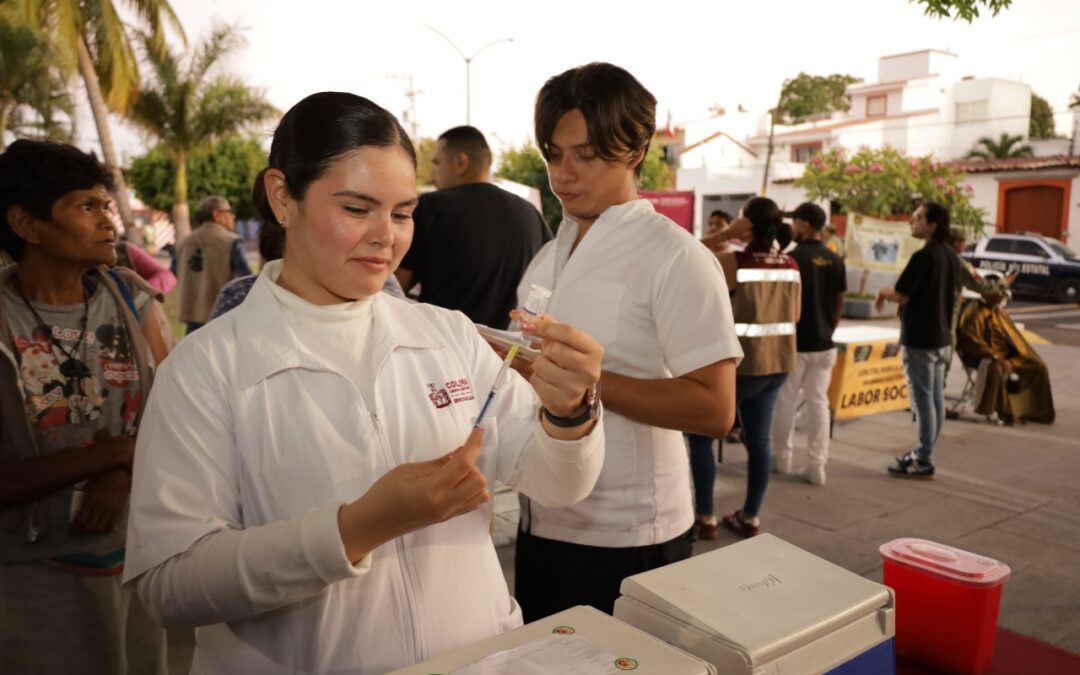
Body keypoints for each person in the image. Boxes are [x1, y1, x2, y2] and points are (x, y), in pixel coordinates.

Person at [122, 92, 606, 674]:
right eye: (357, 210)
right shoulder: (208, 369)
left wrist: (570, 413)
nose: (387, 237)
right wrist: (355, 528)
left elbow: (556, 484)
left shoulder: (447, 335)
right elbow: (169, 584)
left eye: (403, 213)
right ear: (283, 197)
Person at [513, 62, 741, 621]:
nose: (563, 173)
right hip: (540, 517)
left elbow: (715, 408)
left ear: (635, 152)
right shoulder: (549, 255)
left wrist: (581, 379)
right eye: (553, 154)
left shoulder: (677, 256)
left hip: (631, 536)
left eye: (585, 155)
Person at [0, 139, 174, 673]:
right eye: (87, 206)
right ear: (27, 225)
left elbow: (180, 417)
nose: (109, 221)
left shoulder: (129, 296)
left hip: (135, 559)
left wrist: (126, 471)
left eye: (107, 205)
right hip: (32, 576)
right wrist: (114, 453)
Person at [396, 126, 552, 329]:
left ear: (461, 162)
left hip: (442, 346)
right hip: (505, 354)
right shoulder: (531, 213)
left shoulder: (432, 207)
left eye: (437, 162)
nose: (433, 172)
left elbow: (395, 288)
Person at [713, 197, 800, 537]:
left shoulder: (735, 260)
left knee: (701, 438)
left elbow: (686, 255)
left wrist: (726, 234)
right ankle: (750, 516)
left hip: (742, 365)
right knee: (760, 440)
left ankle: (703, 515)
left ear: (746, 224)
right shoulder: (791, 263)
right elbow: (796, 315)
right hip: (778, 364)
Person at [876, 202, 961, 479]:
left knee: (924, 401)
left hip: (921, 340)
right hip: (941, 338)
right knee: (935, 399)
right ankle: (925, 452)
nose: (912, 222)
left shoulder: (923, 257)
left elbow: (901, 294)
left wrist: (882, 292)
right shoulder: (950, 254)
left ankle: (924, 458)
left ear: (934, 224)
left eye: (918, 218)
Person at [771, 202, 846, 486]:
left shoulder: (792, 259)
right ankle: (817, 465)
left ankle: (783, 460)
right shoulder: (835, 259)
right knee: (818, 403)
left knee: (786, 401)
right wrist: (830, 327)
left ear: (803, 224)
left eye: (795, 222)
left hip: (795, 343)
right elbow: (840, 299)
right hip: (825, 343)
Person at [956, 276, 1054, 425]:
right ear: (988, 293)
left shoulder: (998, 311)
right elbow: (972, 342)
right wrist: (996, 357)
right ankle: (1006, 412)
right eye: (999, 292)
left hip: (1007, 354)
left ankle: (1033, 411)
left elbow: (1013, 338)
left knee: (1038, 367)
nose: (1003, 295)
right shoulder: (973, 312)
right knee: (998, 369)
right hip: (983, 355)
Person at [174, 195, 252, 333]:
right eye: (229, 212)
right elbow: (247, 280)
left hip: (192, 316)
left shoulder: (184, 242)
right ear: (217, 215)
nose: (233, 216)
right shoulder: (232, 241)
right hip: (222, 316)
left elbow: (174, 272)